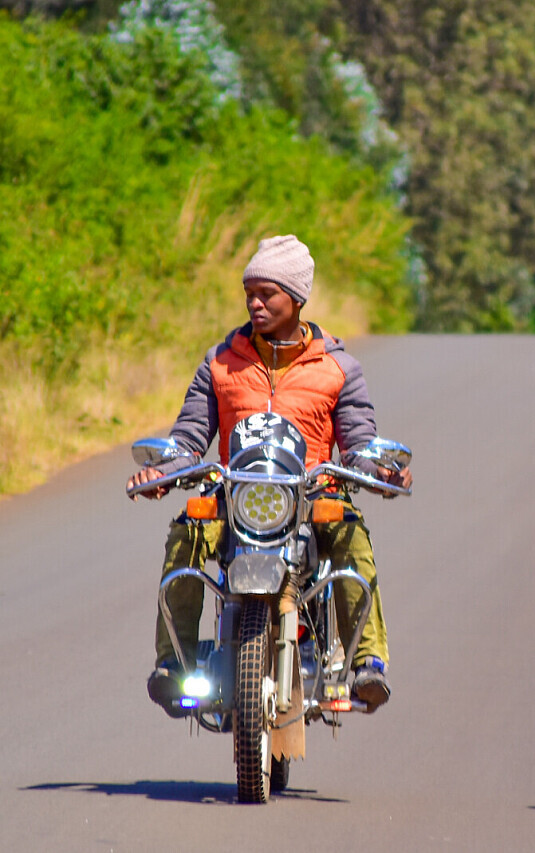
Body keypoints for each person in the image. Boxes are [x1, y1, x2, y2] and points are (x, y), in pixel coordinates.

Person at [126, 235, 411, 717]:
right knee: (187, 534)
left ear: (296, 298)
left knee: (352, 538)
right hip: (233, 493)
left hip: (312, 492)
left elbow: (359, 444)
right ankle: (175, 663)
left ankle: (368, 664)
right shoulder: (220, 362)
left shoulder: (338, 368)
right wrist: (162, 471)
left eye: (267, 294)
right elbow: (189, 439)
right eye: (249, 294)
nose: (255, 303)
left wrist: (381, 470)